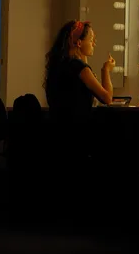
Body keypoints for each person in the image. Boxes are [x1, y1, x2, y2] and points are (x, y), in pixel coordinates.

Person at [43, 20, 115, 155]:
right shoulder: (80, 68)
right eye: (91, 39)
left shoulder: (61, 65)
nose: (94, 44)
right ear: (80, 43)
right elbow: (107, 98)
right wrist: (106, 70)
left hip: (59, 131)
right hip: (78, 134)